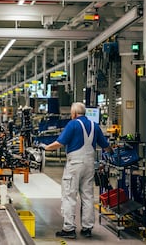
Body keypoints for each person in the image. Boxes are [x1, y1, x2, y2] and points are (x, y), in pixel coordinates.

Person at [43, 102, 113, 239]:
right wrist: (113, 152)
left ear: (74, 113)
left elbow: (59, 143)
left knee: (69, 195)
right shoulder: (95, 126)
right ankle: (87, 228)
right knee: (87, 196)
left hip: (75, 164)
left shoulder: (73, 124)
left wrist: (45, 148)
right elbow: (106, 146)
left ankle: (69, 229)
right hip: (89, 164)